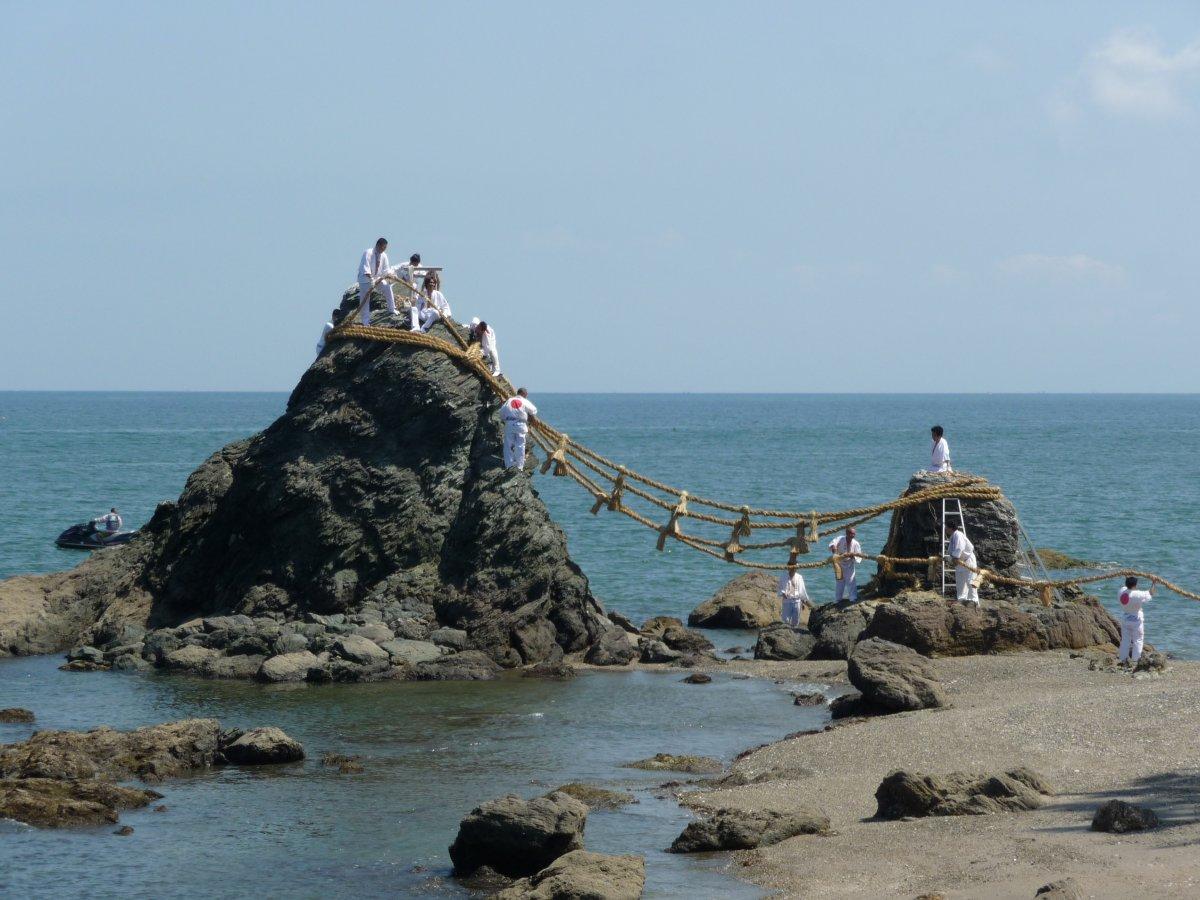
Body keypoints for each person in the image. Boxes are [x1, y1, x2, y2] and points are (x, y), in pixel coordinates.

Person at [356, 238, 395, 325]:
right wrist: (371, 280)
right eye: (382, 247)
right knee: (365, 300)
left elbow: (386, 270)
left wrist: (391, 275)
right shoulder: (368, 253)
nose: (383, 250)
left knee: (387, 287)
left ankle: (392, 309)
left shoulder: (384, 255)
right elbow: (365, 268)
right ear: (377, 245)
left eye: (385, 248)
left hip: (377, 278)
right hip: (365, 280)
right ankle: (365, 322)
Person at [1117, 576, 1155, 665]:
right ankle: (1135, 660)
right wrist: (1153, 583)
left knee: (1125, 640)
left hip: (1125, 618)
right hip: (1136, 620)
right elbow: (1151, 593)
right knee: (1138, 640)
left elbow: (1125, 587)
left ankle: (1123, 659)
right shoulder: (1137, 594)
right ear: (1135, 585)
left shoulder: (1121, 592)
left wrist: (1127, 577)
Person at [499, 388, 537, 469]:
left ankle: (508, 465)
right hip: (520, 424)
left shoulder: (509, 400)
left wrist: (505, 419)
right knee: (520, 445)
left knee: (508, 445)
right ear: (524, 394)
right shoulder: (524, 401)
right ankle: (520, 466)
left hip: (509, 423)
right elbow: (533, 410)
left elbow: (501, 412)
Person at [828, 526, 864, 602]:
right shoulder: (840, 538)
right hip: (839, 563)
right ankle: (838, 600)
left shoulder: (856, 543)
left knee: (851, 581)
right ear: (847, 533)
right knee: (839, 582)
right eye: (851, 534)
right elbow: (832, 543)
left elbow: (859, 555)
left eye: (854, 534)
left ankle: (853, 598)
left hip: (849, 565)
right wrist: (834, 550)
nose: (853, 535)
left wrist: (853, 557)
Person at [947, 522, 979, 604]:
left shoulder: (958, 535)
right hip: (960, 562)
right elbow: (952, 551)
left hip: (968, 561)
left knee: (970, 581)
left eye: (946, 527)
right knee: (960, 581)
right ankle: (961, 599)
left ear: (950, 528)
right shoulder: (953, 536)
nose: (945, 529)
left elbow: (959, 548)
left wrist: (954, 558)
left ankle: (973, 601)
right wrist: (950, 558)